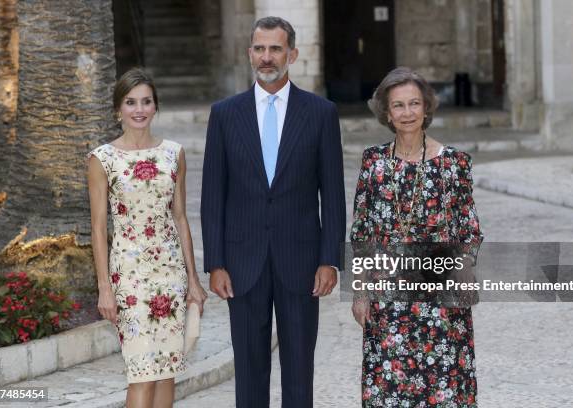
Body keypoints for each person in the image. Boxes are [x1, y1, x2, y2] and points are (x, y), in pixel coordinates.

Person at [201, 16, 346, 407]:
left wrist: (329, 260)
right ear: (250, 54)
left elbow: (332, 195)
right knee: (249, 372)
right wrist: (215, 262)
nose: (267, 58)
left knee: (299, 370)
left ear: (292, 54)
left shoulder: (320, 113)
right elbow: (213, 195)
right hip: (241, 263)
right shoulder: (225, 114)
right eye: (260, 49)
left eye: (276, 49)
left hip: (300, 263)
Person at [350, 67, 483, 407]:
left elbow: (469, 229)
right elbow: (362, 232)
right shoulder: (374, 162)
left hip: (441, 299)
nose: (407, 113)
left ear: (426, 108)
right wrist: (360, 293)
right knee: (389, 391)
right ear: (387, 113)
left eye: (414, 104)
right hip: (387, 299)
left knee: (444, 388)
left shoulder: (453, 163)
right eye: (398, 106)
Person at [87, 68, 207, 408]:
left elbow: (180, 217)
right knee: (140, 373)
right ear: (117, 109)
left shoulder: (174, 153)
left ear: (155, 107)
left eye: (146, 101)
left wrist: (194, 281)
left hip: (170, 274)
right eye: (130, 102)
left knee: (167, 370)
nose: (139, 109)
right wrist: (104, 288)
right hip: (128, 278)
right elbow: (98, 228)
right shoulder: (102, 159)